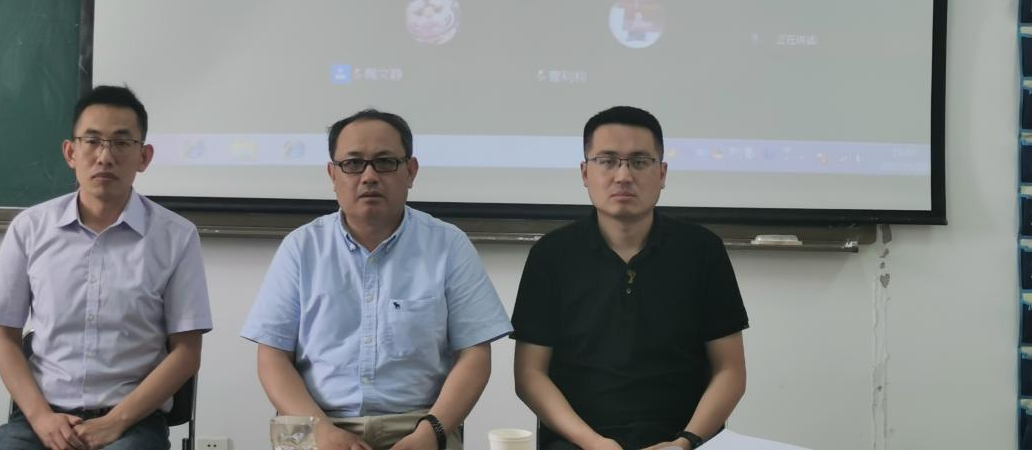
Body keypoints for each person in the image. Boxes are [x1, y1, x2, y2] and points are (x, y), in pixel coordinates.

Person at [241, 109, 512, 450]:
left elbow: (475, 355)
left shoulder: (448, 245)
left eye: (385, 162)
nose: (369, 176)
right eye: (353, 163)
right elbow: (272, 357)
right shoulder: (301, 247)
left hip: (418, 425)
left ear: (410, 171)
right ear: (332, 174)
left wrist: (430, 433)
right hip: (316, 424)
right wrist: (322, 431)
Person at [0, 85, 212, 450]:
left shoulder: (176, 237)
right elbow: (4, 339)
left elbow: (186, 352)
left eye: (121, 143)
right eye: (92, 141)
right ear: (70, 152)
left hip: (132, 423)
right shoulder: (30, 228)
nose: (105, 156)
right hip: (41, 419)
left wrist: (113, 423)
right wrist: (41, 418)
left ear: (144, 156)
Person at [512, 106, 748, 450]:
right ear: (584, 173)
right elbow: (529, 375)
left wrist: (685, 441)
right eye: (607, 161)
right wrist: (594, 443)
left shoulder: (702, 251)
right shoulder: (551, 255)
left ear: (662, 173)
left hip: (684, 441)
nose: (623, 176)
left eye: (639, 162)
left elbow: (730, 371)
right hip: (579, 443)